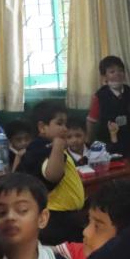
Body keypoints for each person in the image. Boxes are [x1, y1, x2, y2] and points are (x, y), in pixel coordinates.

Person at [16, 100, 85, 244]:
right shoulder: (42, 148)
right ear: (42, 127)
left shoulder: (51, 147)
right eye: (60, 123)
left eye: (66, 124)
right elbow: (53, 176)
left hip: (68, 217)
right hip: (57, 219)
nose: (65, 129)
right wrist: (58, 145)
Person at [87, 56, 130, 158]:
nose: (117, 74)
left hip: (129, 138)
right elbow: (91, 121)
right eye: (112, 72)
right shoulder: (99, 96)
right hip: (107, 140)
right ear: (104, 77)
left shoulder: (129, 92)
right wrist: (89, 142)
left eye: (120, 71)